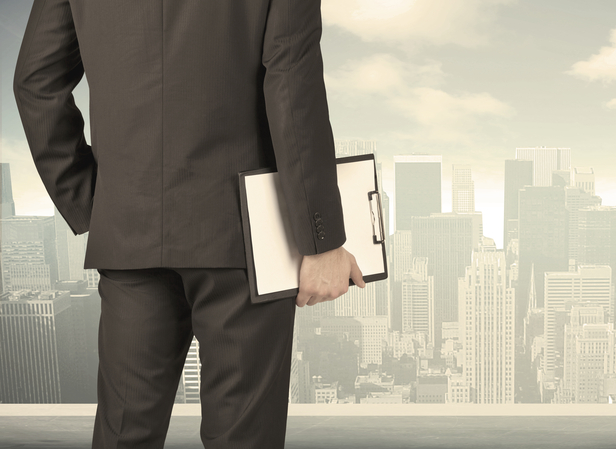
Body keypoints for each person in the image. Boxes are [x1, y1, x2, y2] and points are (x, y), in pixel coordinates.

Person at [12, 0, 362, 447]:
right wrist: (321, 239)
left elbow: (35, 82)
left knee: (125, 434)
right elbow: (292, 84)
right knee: (243, 437)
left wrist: (92, 203)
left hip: (129, 232)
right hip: (241, 238)